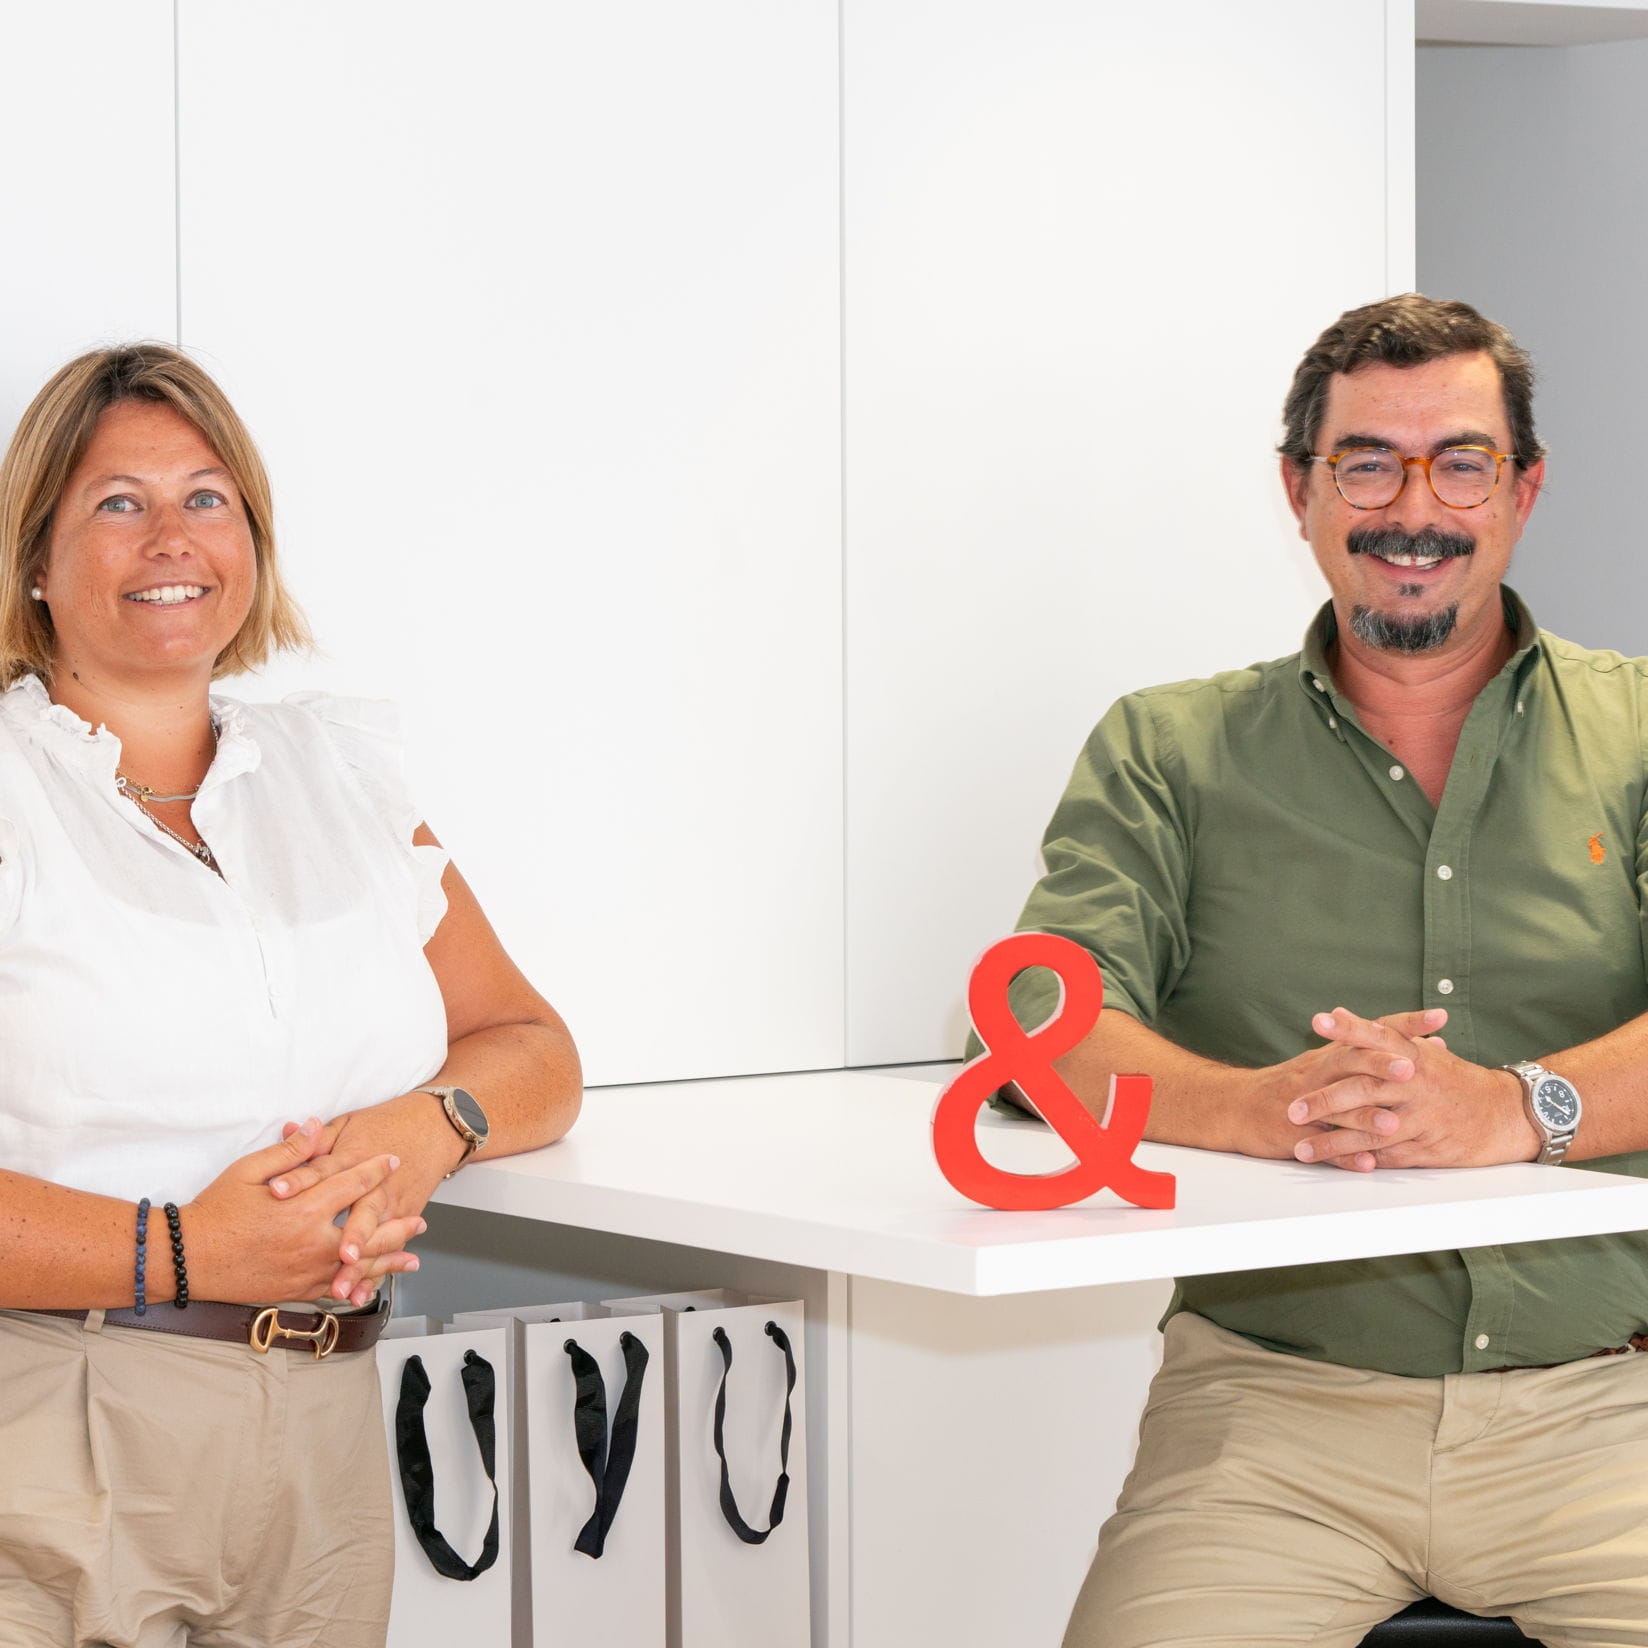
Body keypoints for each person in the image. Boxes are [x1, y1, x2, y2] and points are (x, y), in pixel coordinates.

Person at [987, 295, 1648, 1647]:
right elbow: (1043, 1020)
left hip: (1608, 1413)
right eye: (1367, 462)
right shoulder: (1168, 748)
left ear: (1523, 490)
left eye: (1461, 461)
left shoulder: (1641, 728)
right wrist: (1271, 1109)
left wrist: (1516, 1109)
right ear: (1300, 491)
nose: (1416, 506)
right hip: (1270, 1426)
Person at [0, 344, 582, 1647]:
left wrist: (420, 1130)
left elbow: (534, 1048)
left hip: (323, 1428)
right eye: (118, 502)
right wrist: (187, 1249)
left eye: (209, 499)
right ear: (34, 555)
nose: (173, 537)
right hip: (54, 1430)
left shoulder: (340, 778)